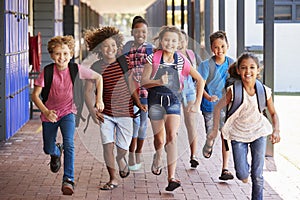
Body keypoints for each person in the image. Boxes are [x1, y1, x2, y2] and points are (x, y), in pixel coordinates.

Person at [31, 35, 104, 195]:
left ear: (71, 53)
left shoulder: (76, 69)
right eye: (57, 54)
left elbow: (98, 78)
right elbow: (35, 95)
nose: (61, 57)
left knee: (70, 144)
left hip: (69, 112)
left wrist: (99, 99)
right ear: (51, 55)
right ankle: (56, 151)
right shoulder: (47, 71)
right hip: (49, 114)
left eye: (65, 53)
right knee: (47, 148)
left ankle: (68, 179)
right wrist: (45, 111)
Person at [204, 52, 280, 200]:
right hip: (238, 134)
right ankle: (244, 175)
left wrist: (276, 130)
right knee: (241, 173)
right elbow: (218, 108)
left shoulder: (264, 91)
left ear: (258, 70)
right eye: (244, 68)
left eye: (252, 67)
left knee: (257, 175)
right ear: (238, 70)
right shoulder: (233, 91)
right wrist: (214, 130)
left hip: (258, 132)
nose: (248, 71)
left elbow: (273, 113)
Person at [141, 25, 205, 191]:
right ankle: (158, 154)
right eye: (167, 40)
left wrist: (197, 103)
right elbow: (143, 82)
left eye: (173, 41)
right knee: (160, 139)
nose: (170, 43)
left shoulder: (181, 61)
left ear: (178, 43)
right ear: (161, 41)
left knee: (172, 137)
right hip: (155, 100)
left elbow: (200, 79)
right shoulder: (153, 58)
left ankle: (171, 177)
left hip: (174, 100)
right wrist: (158, 82)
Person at [84, 26, 146, 190]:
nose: (109, 49)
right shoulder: (96, 67)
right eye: (105, 46)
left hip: (125, 112)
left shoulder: (123, 62)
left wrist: (138, 103)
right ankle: (113, 179)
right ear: (99, 48)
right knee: (107, 146)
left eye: (112, 45)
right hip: (106, 114)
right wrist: (92, 111)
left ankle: (121, 158)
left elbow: (131, 84)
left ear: (118, 46)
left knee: (122, 148)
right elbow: (87, 92)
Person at [198, 30, 235, 181]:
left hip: (226, 106)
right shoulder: (205, 65)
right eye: (216, 47)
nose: (219, 50)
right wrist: (208, 97)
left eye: (222, 46)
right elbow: (199, 85)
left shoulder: (232, 64)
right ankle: (209, 142)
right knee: (211, 134)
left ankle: (225, 169)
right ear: (211, 48)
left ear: (228, 45)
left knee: (225, 135)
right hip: (209, 106)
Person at [122, 16, 153, 171]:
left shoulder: (150, 49)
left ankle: (138, 152)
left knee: (143, 125)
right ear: (132, 32)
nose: (141, 34)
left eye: (144, 31)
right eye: (137, 31)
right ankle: (131, 153)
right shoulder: (127, 48)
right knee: (133, 124)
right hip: (131, 92)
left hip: (146, 93)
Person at [178, 30, 202, 168]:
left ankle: (194, 155)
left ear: (186, 41)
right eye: (178, 40)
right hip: (175, 92)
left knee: (191, 123)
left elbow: (201, 74)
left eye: (183, 40)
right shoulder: (171, 55)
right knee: (173, 124)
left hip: (190, 92)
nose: (180, 43)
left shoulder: (192, 54)